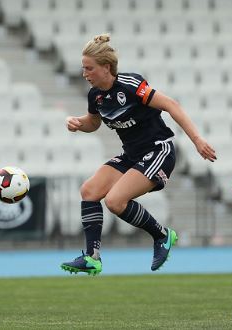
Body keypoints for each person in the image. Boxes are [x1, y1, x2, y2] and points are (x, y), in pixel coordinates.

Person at [60, 33, 216, 275]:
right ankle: (92, 258)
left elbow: (171, 105)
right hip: (132, 155)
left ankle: (162, 235)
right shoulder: (96, 96)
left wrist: (197, 139)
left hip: (159, 151)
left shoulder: (131, 86)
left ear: (106, 67)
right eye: (83, 68)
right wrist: (78, 123)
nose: (84, 74)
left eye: (89, 68)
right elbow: (93, 123)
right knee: (89, 191)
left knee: (114, 201)